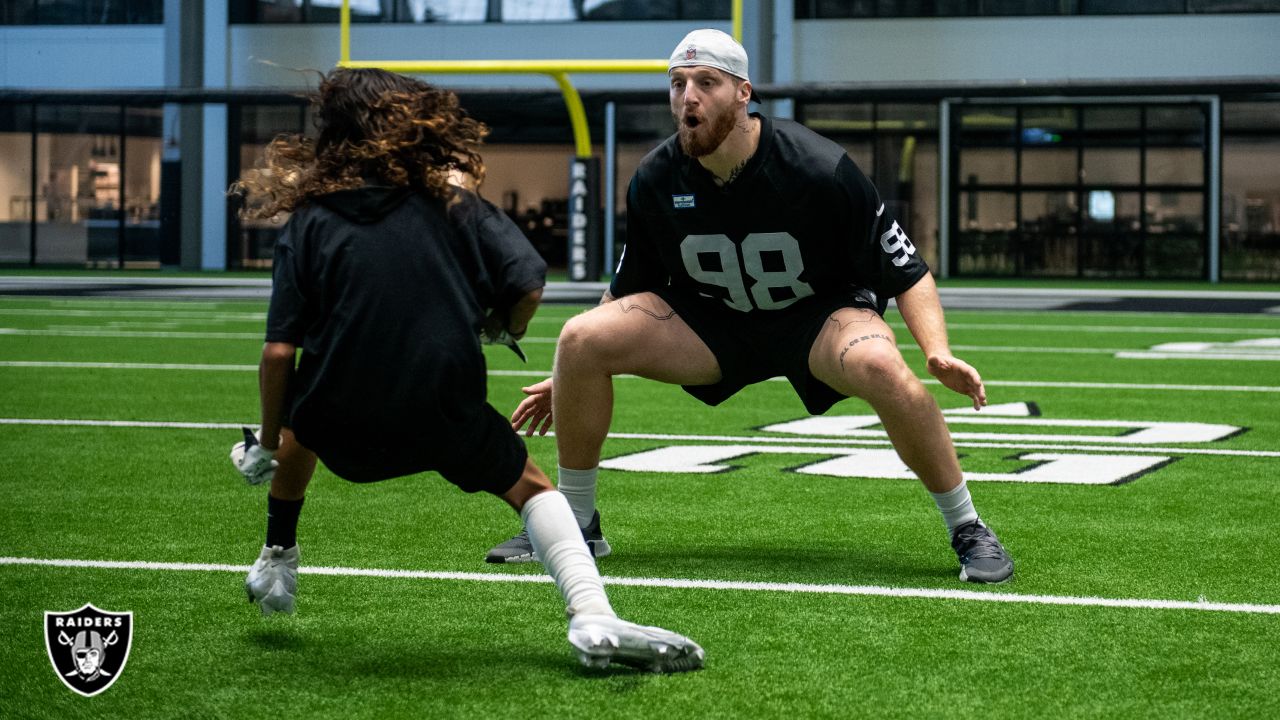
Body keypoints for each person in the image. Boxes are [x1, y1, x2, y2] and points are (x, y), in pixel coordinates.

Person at [486, 29, 1014, 584]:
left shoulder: (818, 167)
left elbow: (908, 271)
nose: (687, 96)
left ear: (743, 93)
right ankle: (574, 522)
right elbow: (625, 289)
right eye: (677, 83)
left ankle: (968, 526)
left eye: (706, 83)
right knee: (578, 336)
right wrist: (568, 370)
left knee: (883, 367)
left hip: (817, 318)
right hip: (711, 324)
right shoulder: (656, 178)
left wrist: (937, 352)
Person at [228, 67, 704, 673]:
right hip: (441, 407)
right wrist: (501, 327)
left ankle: (277, 552)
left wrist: (268, 442)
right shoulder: (452, 204)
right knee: (533, 488)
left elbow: (277, 355)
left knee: (304, 411)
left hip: (341, 423)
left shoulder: (311, 221)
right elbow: (529, 283)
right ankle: (591, 611)